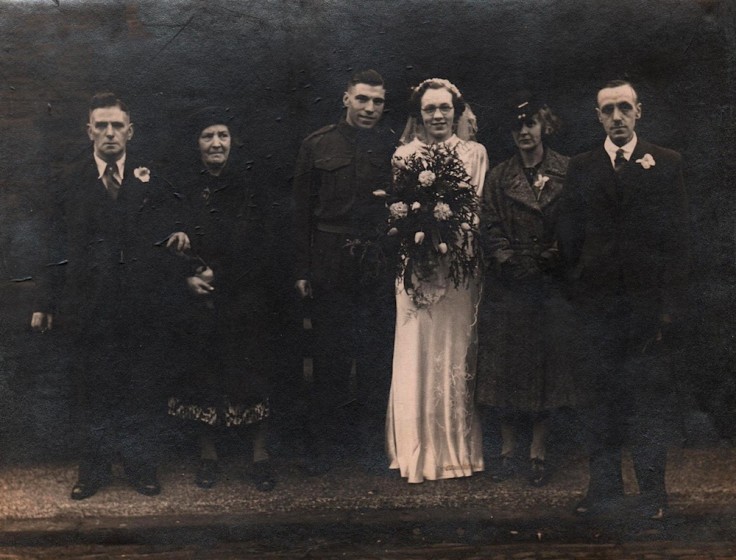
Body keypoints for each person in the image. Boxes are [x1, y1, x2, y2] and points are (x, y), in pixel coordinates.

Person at [31, 92, 188, 499]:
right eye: (101, 125)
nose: (110, 133)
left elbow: (175, 223)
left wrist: (179, 244)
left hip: (140, 302)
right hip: (88, 303)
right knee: (91, 386)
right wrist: (44, 302)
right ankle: (93, 470)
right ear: (89, 132)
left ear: (130, 131)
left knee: (140, 384)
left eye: (117, 125)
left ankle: (141, 467)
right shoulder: (69, 179)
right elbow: (52, 245)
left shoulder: (149, 176)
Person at [557, 80, 689, 519]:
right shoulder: (582, 166)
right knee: (599, 400)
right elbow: (568, 236)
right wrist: (577, 288)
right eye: (608, 109)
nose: (617, 117)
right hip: (596, 309)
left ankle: (654, 495)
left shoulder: (666, 164)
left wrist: (668, 307)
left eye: (624, 108)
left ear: (639, 112)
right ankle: (604, 492)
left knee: (647, 401)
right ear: (598, 116)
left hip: (646, 310)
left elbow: (679, 241)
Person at [167, 107, 276, 491]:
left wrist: (224, 276)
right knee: (203, 367)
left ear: (233, 142)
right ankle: (207, 454)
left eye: (223, 136)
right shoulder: (182, 187)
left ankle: (260, 456)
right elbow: (169, 240)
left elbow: (261, 245)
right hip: (201, 295)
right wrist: (187, 277)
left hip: (245, 292)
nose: (216, 143)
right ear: (197, 144)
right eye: (207, 136)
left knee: (251, 367)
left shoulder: (250, 186)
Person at [292, 69, 395, 474]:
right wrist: (301, 268)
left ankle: (369, 448)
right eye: (363, 99)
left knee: (373, 356)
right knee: (329, 355)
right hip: (330, 259)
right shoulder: (317, 144)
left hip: (375, 261)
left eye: (378, 101)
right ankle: (326, 450)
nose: (370, 108)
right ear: (346, 98)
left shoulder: (392, 147)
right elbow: (300, 212)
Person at [386, 78, 488, 483]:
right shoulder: (403, 156)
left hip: (459, 266)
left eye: (445, 108)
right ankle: (416, 451)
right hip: (416, 268)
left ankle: (456, 452)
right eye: (429, 109)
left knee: (456, 350)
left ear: (457, 111)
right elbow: (397, 212)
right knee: (416, 350)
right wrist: (420, 241)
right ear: (419, 114)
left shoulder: (475, 154)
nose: (438, 116)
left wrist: (449, 240)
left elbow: (477, 209)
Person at [477, 92, 572, 486]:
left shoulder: (567, 171)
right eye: (516, 127)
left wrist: (554, 254)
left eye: (530, 124)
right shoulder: (499, 177)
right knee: (505, 367)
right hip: (510, 284)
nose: (523, 133)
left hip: (549, 284)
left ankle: (539, 451)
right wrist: (506, 259)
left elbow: (573, 223)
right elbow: (488, 223)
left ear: (544, 125)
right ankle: (507, 449)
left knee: (546, 368)